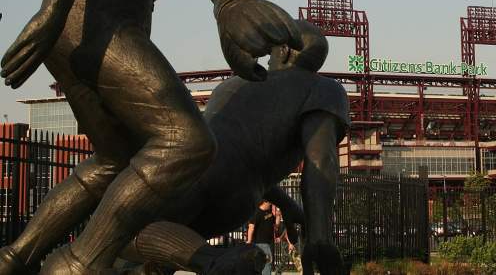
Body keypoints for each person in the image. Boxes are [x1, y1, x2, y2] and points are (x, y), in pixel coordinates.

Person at [0, 0, 302, 274]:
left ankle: (14, 258)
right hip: (96, 20)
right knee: (188, 142)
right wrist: (51, 10)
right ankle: (81, 263)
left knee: (114, 161)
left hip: (94, 27)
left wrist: (235, 24)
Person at [114, 21, 347, 275]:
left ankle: (215, 260)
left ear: (286, 51)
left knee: (120, 231)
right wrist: (317, 233)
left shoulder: (233, 85)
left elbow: (318, 161)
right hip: (238, 201)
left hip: (192, 171)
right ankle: (212, 261)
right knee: (162, 246)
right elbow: (320, 160)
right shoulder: (325, 89)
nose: (267, 59)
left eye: (271, 52)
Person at [247, 201, 277, 275]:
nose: (271, 204)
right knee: (266, 264)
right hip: (261, 243)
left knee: (265, 264)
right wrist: (249, 241)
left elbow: (276, 225)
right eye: (270, 202)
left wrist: (278, 216)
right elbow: (251, 227)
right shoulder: (257, 213)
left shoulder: (269, 212)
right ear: (265, 202)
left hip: (269, 243)